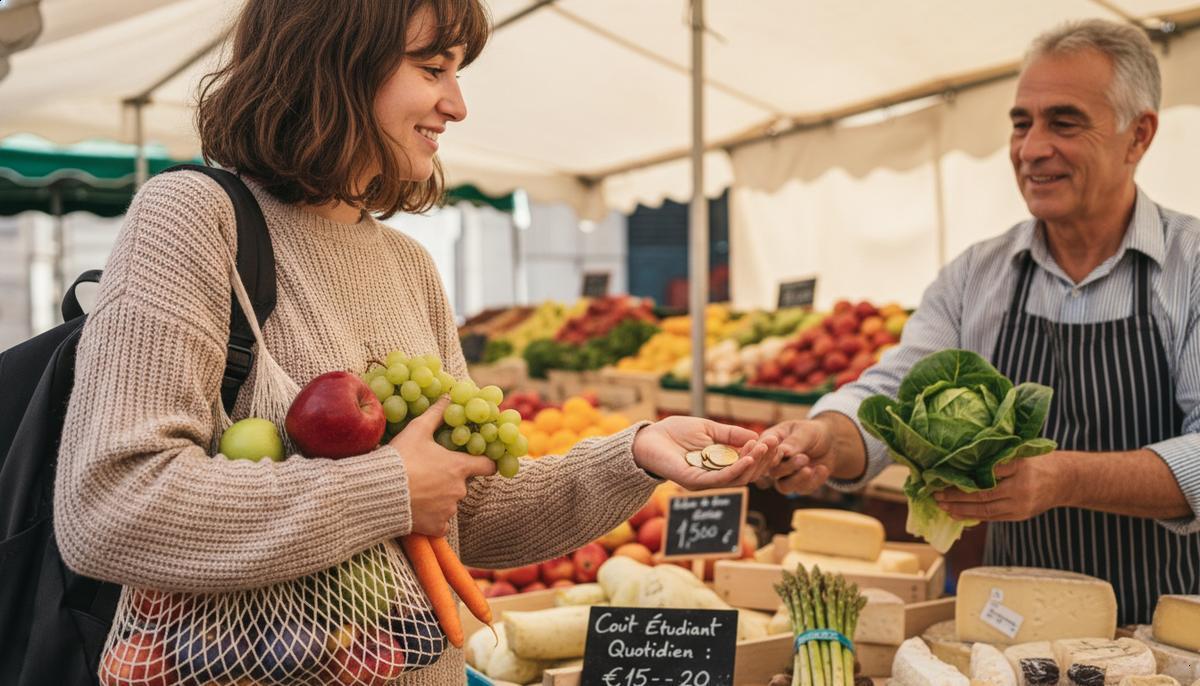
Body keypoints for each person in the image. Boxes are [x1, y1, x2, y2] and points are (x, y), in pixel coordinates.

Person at [51, 1, 776, 683]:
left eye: (457, 73)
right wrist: (390, 486)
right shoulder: (192, 221)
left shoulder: (408, 267)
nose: (456, 105)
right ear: (332, 62)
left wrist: (632, 454)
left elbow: (470, 513)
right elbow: (112, 504)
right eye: (432, 70)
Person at [761, 18, 1200, 625]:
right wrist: (824, 438)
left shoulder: (1192, 266)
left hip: (1169, 628)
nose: (1031, 148)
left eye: (1063, 122)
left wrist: (1064, 477)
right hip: (1010, 628)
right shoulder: (977, 275)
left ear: (1139, 135)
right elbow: (892, 396)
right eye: (1022, 123)